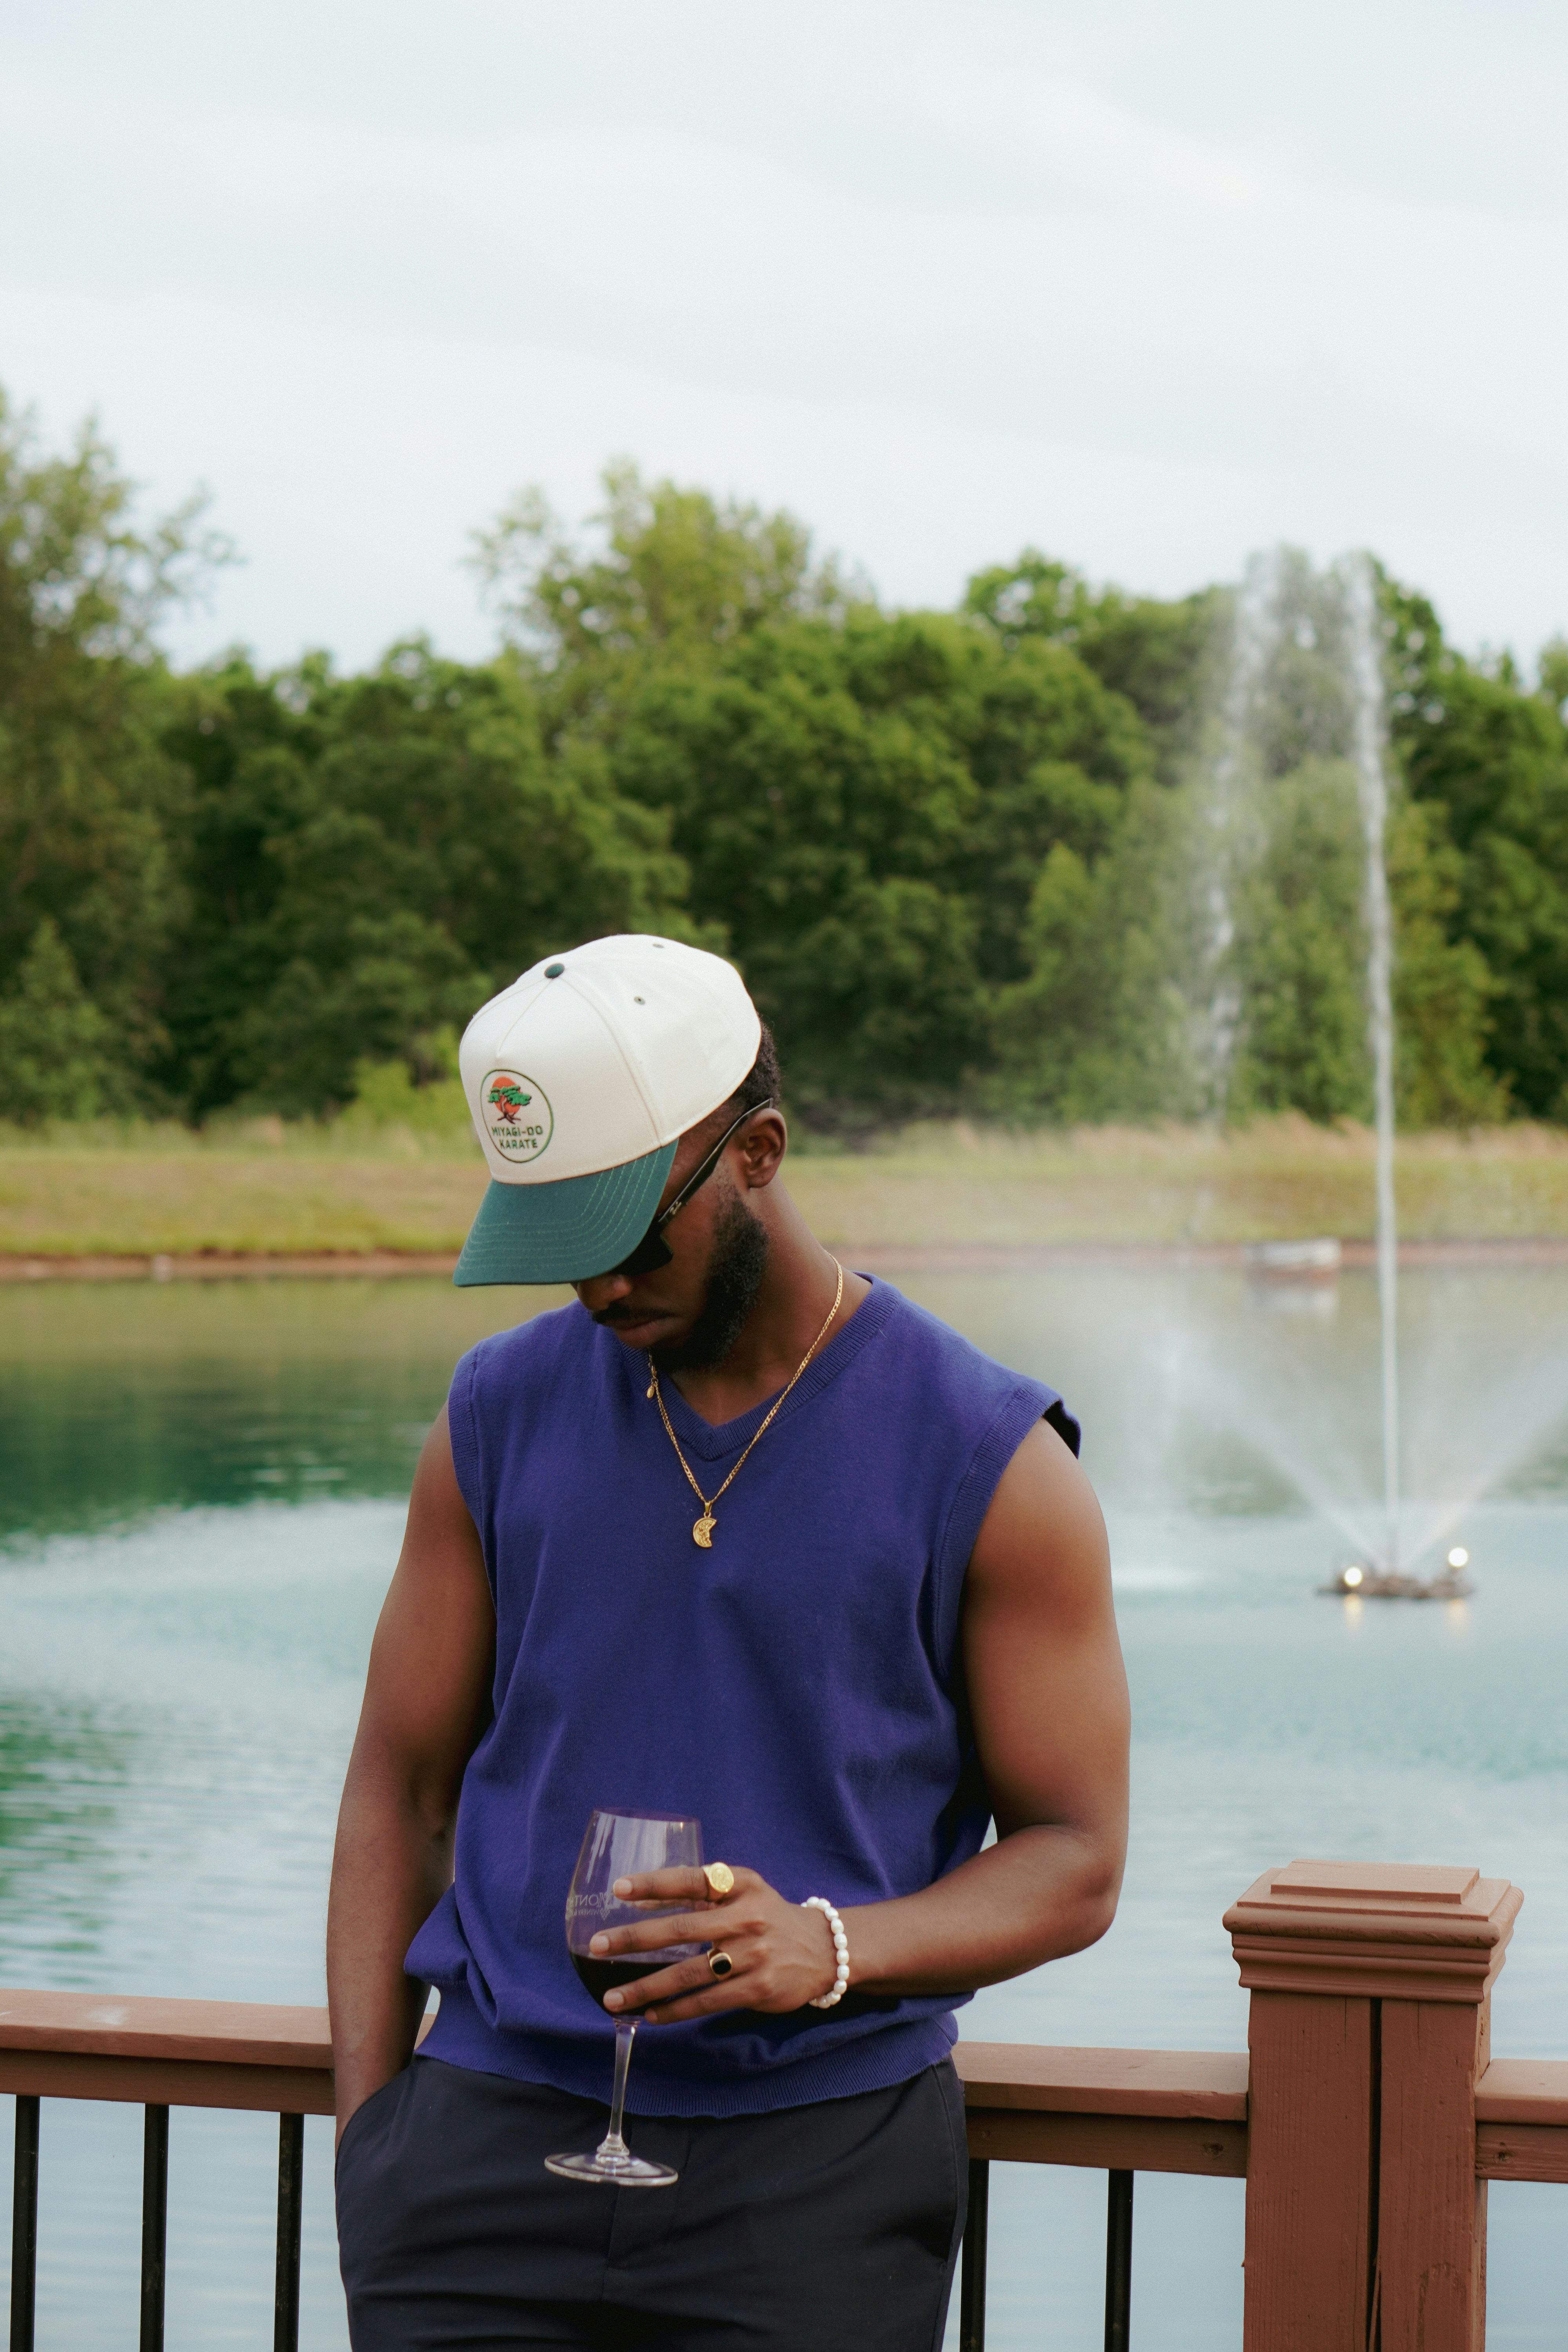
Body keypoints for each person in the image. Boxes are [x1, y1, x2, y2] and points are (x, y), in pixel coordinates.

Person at [329, 933, 1129, 2352]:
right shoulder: (491, 1419)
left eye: (630, 1239)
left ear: (755, 1151)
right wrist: (376, 2144)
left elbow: (1075, 1858)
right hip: (476, 2165)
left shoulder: (993, 1462)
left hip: (815, 2180)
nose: (596, 1293)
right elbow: (401, 1789)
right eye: (554, 1249)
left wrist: (829, 1946)